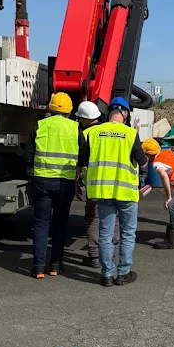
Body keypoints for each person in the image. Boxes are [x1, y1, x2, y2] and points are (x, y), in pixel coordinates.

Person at [83, 97, 147, 286]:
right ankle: (123, 273)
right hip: (126, 193)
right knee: (127, 233)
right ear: (125, 114)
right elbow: (143, 162)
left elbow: (84, 160)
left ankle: (106, 275)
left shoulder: (93, 132)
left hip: (103, 191)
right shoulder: (130, 134)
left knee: (105, 233)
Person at [26, 92, 87, 279]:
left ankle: (38, 267)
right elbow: (84, 156)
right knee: (60, 224)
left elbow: (28, 154)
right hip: (65, 182)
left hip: (42, 181)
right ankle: (55, 265)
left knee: (41, 223)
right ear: (69, 111)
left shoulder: (40, 126)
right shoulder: (75, 128)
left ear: (50, 108)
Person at [75, 101, 103, 268]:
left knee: (93, 218)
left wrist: (77, 183)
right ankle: (108, 254)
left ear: (84, 119)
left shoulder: (84, 135)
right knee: (110, 220)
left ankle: (94, 256)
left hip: (93, 185)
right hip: (113, 184)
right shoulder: (106, 131)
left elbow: (80, 162)